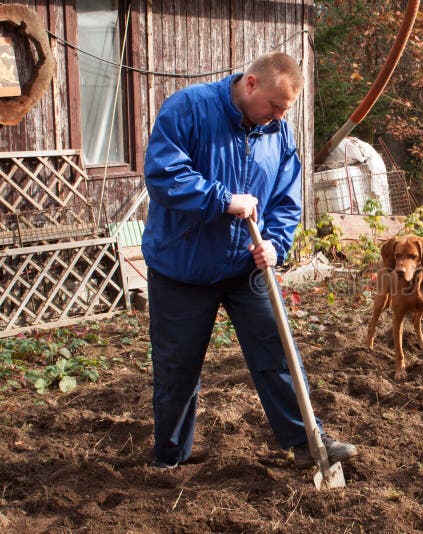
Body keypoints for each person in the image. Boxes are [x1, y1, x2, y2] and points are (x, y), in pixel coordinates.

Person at [142, 52, 357, 469]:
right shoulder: (189, 109)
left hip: (246, 268)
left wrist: (275, 243)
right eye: (274, 106)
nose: (278, 117)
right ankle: (169, 458)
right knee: (177, 370)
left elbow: (286, 201)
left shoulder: (278, 133)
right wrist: (223, 199)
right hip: (182, 267)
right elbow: (164, 175)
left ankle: (307, 441)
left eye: (285, 110)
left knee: (278, 352)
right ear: (251, 84)